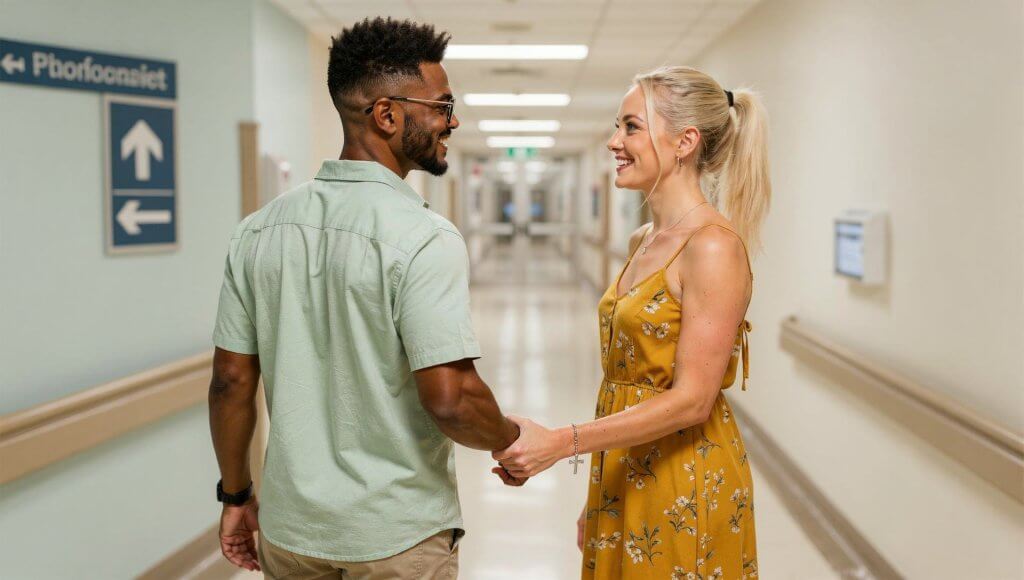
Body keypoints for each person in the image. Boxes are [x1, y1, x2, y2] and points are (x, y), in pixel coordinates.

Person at [207, 17, 523, 580]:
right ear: (387, 114)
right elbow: (451, 398)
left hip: (292, 530)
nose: (452, 122)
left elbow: (230, 381)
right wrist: (509, 439)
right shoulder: (425, 236)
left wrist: (235, 497)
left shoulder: (257, 231)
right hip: (396, 536)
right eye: (442, 106)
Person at [492, 66, 771, 579]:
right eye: (617, 127)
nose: (614, 142)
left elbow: (692, 400)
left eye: (630, 127)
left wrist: (562, 441)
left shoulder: (712, 247)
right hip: (627, 468)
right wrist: (599, 492)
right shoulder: (643, 239)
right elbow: (628, 382)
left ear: (685, 141)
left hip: (683, 478)